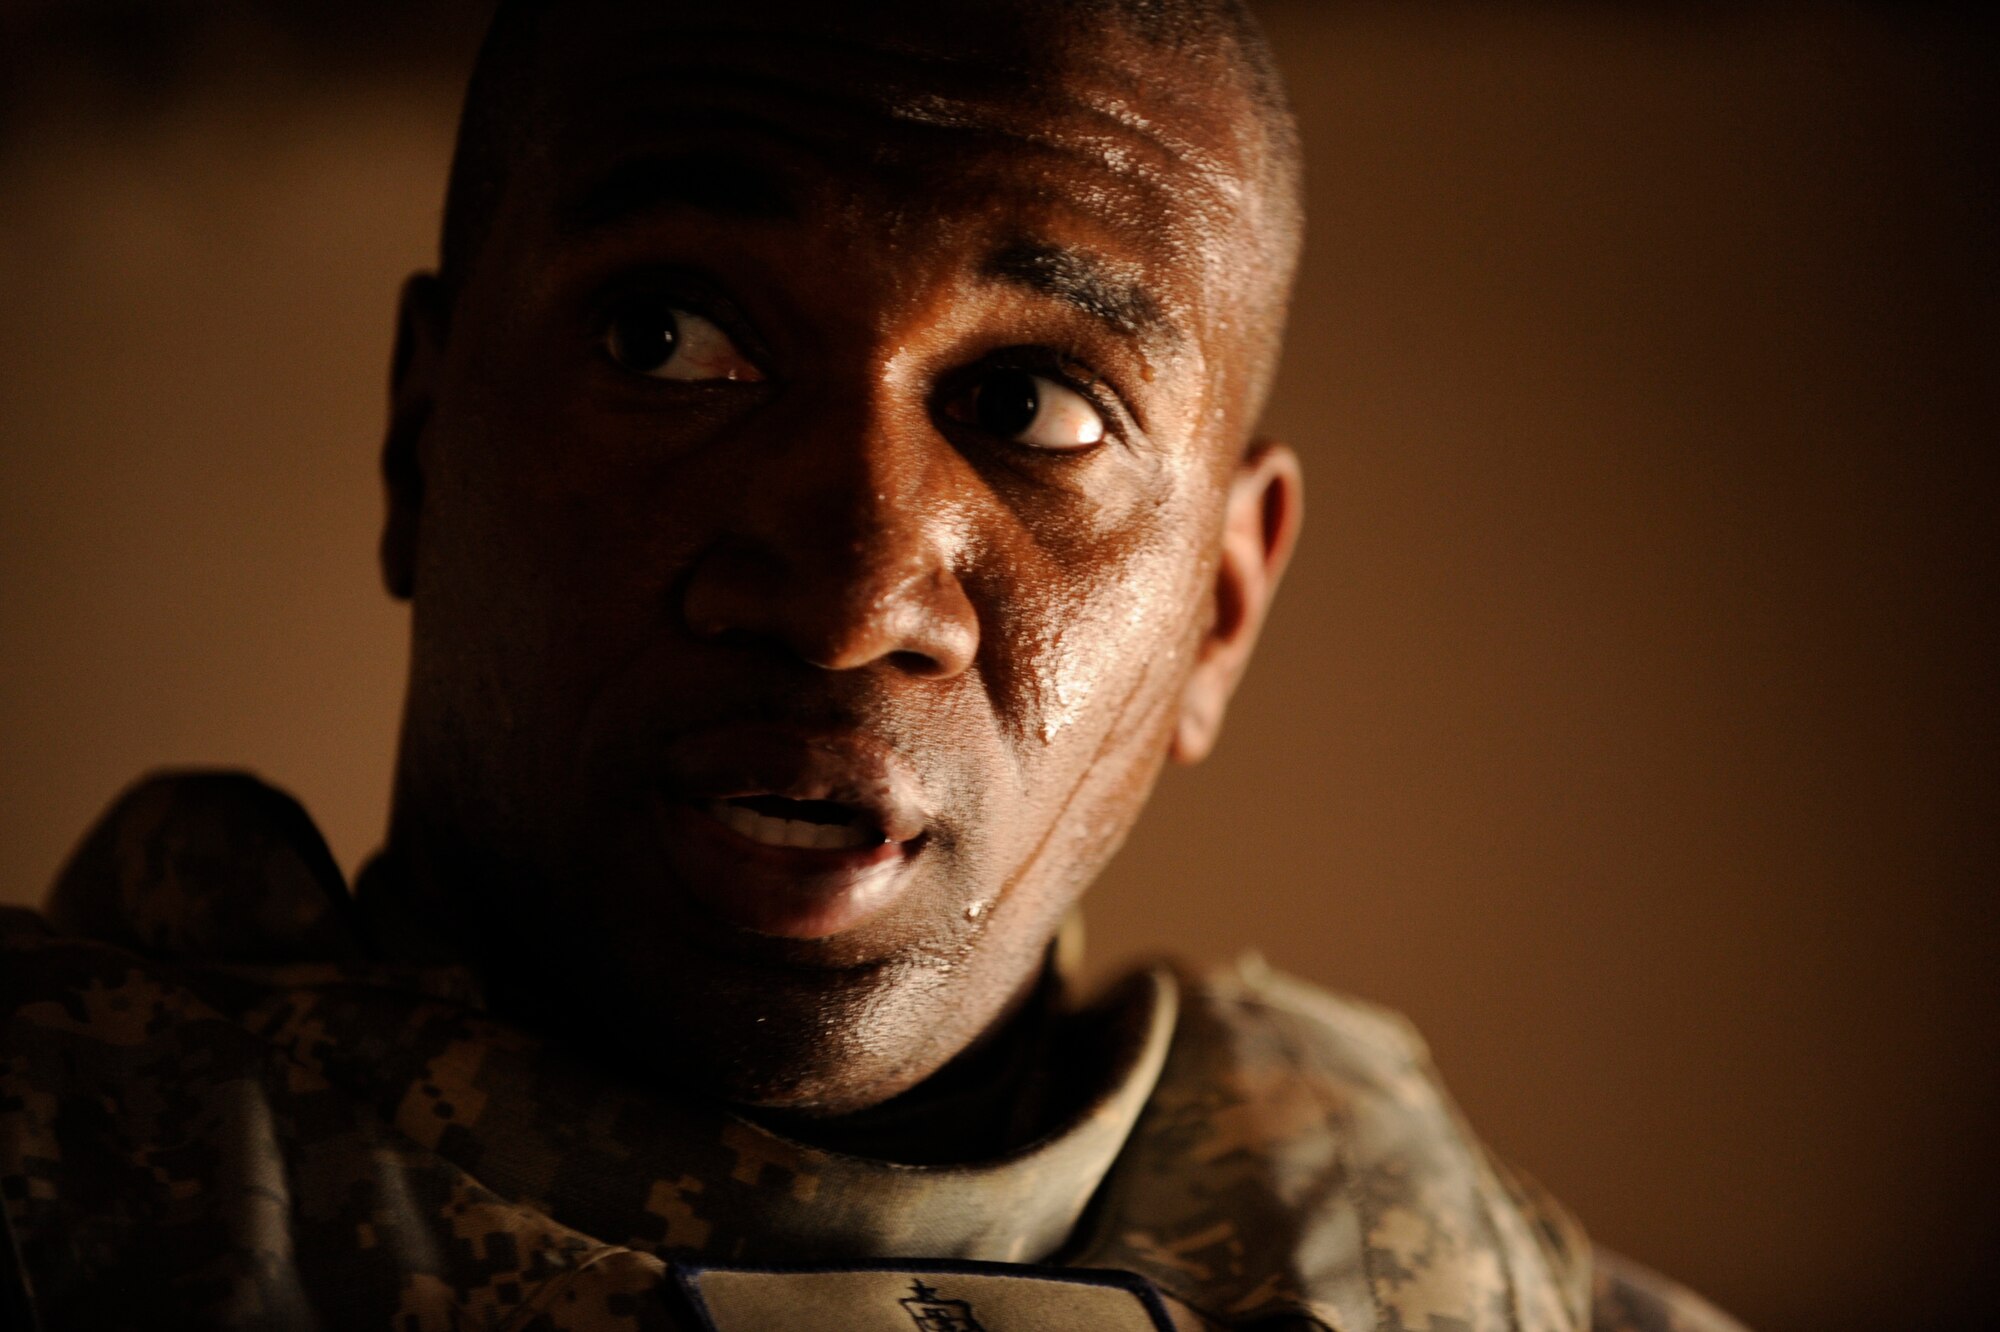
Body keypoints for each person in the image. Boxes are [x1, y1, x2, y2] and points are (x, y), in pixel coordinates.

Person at [0, 2, 1746, 1329]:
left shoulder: (1446, 1272)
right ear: (419, 439)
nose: (846, 601)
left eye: (1035, 405)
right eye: (668, 340)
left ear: (1223, 608)